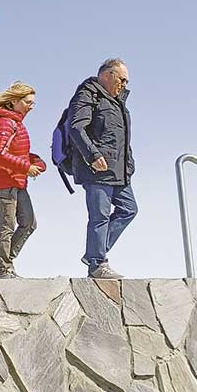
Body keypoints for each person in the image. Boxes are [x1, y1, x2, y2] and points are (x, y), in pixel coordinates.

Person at [66, 57, 137, 279]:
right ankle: (97, 264)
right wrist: (92, 155)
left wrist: (129, 164)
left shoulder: (117, 102)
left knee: (129, 209)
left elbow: (122, 138)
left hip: (119, 170)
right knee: (100, 216)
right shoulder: (88, 94)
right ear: (108, 75)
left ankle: (94, 252)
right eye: (122, 79)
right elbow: (76, 127)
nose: (124, 85)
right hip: (96, 168)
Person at [0, 81, 45, 278]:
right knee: (7, 226)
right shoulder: (2, 123)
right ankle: (4, 269)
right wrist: (27, 167)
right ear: (13, 101)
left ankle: (5, 261)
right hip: (3, 183)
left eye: (32, 103)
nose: (31, 107)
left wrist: (35, 161)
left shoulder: (15, 123)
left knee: (29, 223)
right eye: (28, 102)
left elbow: (16, 151)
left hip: (17, 181)